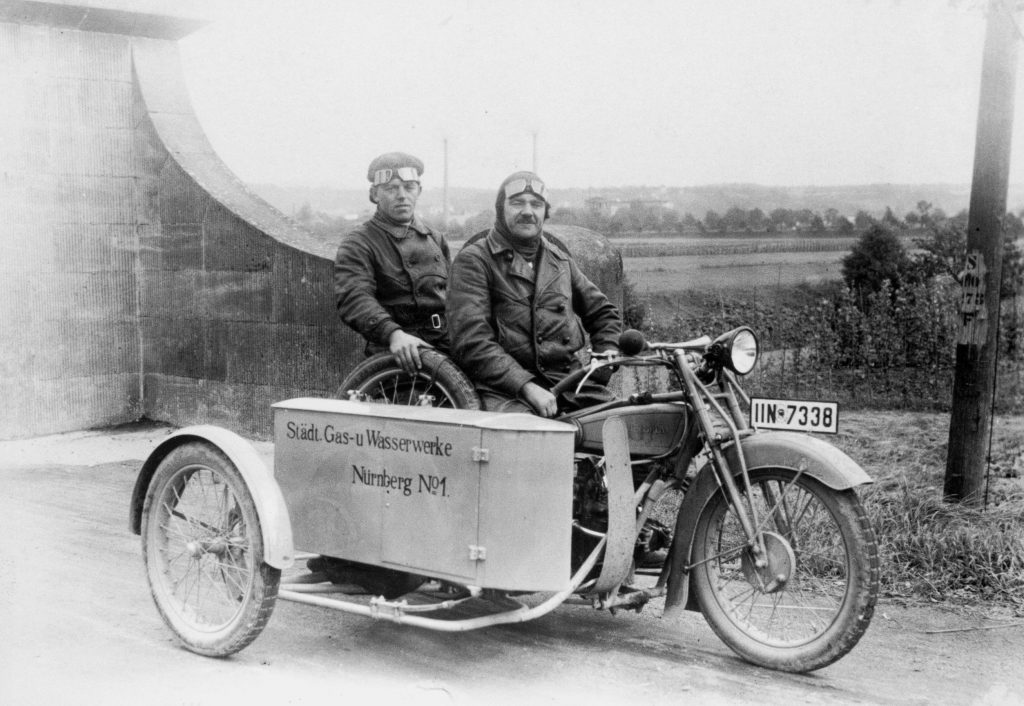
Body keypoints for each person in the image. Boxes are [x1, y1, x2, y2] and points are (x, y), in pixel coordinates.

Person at [447, 171, 622, 416]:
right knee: (533, 440)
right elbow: (471, 342)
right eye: (517, 202)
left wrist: (603, 362)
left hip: (567, 384)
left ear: (545, 212)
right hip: (503, 390)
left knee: (626, 424)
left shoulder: (560, 261)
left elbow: (603, 312)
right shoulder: (474, 261)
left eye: (536, 204)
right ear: (501, 209)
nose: (528, 211)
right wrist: (526, 387)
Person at [334, 152, 450, 374]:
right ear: (375, 194)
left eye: (409, 187)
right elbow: (354, 297)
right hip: (396, 354)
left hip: (445, 343)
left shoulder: (436, 239)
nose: (402, 195)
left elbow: (455, 298)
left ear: (419, 191)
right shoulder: (359, 242)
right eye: (391, 188)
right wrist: (392, 334)